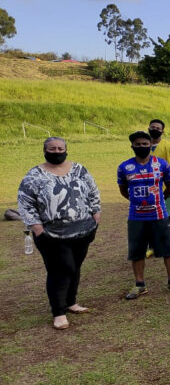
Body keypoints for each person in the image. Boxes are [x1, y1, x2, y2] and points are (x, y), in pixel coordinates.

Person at [18, 137, 100, 330]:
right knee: (61, 269)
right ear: (45, 151)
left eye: (60, 148)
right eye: (52, 149)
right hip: (51, 234)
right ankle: (59, 312)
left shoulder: (80, 170)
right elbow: (25, 202)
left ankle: (71, 302)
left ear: (66, 149)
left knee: (75, 266)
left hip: (83, 230)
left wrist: (96, 215)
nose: (57, 151)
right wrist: (37, 228)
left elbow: (93, 192)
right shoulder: (34, 175)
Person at [118, 131, 170, 300]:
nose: (142, 147)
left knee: (168, 249)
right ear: (132, 146)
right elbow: (123, 190)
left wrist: (160, 198)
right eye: (138, 144)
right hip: (136, 216)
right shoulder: (124, 167)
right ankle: (139, 284)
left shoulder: (162, 164)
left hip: (159, 214)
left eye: (145, 144)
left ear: (150, 145)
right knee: (137, 251)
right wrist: (136, 200)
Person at [147, 119, 170, 257]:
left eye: (158, 128)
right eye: (153, 127)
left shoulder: (169, 146)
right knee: (150, 217)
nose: (155, 129)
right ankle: (151, 247)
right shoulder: (144, 144)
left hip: (166, 188)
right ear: (148, 128)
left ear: (162, 131)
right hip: (148, 188)